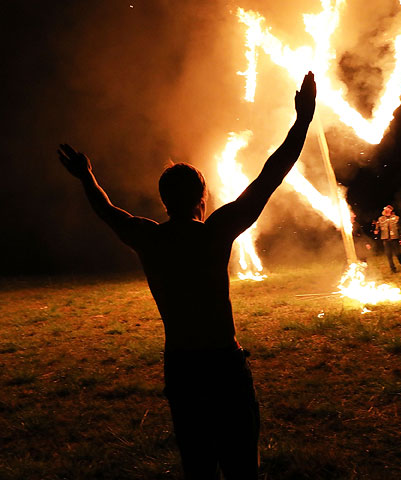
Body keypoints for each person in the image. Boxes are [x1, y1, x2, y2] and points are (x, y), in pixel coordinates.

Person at [58, 72, 316, 479]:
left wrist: (87, 176)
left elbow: (107, 211)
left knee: (198, 464)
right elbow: (271, 175)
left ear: (163, 200)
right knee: (241, 464)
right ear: (203, 197)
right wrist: (302, 120)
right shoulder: (215, 232)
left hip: (182, 366)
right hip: (223, 364)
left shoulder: (148, 238)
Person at [374, 205, 401, 273]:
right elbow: (378, 227)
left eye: (388, 209)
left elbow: (400, 229)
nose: (386, 210)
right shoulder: (381, 219)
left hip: (394, 239)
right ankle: (393, 269)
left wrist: (400, 239)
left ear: (390, 210)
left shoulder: (396, 218)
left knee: (398, 253)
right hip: (385, 239)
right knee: (388, 254)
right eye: (385, 209)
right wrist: (376, 230)